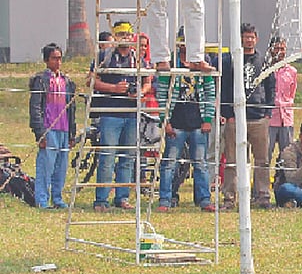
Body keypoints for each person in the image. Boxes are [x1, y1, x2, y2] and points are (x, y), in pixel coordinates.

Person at [90, 21, 152, 211]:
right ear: (115, 36)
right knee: (107, 157)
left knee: (128, 157)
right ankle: (101, 199)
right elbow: (91, 80)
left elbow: (148, 81)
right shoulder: (104, 56)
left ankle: (122, 197)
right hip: (111, 113)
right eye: (121, 34)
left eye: (127, 34)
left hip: (132, 113)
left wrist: (140, 92)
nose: (125, 38)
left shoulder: (138, 58)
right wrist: (114, 89)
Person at [155, 35, 216, 212]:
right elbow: (162, 94)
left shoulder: (202, 62)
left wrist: (207, 119)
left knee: (201, 164)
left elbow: (209, 92)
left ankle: (204, 200)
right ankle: (165, 200)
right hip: (176, 124)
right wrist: (164, 121)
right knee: (169, 164)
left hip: (198, 124)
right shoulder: (171, 63)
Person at [219, 23, 275, 208]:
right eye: (245, 36)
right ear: (240, 38)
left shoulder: (264, 60)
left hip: (258, 117)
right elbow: (225, 86)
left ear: (256, 38)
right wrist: (228, 114)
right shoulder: (230, 59)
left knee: (262, 160)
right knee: (232, 160)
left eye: (252, 36)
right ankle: (229, 198)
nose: (249, 40)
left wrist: (267, 112)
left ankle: (262, 195)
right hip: (235, 117)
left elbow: (270, 87)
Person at [29, 43, 77, 209]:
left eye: (59, 58)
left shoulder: (67, 82)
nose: (58, 62)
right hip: (49, 128)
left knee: (61, 167)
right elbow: (35, 107)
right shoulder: (41, 80)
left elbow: (72, 108)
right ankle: (42, 200)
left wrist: (72, 133)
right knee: (45, 166)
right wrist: (39, 132)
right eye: (54, 58)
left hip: (64, 129)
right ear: (46, 60)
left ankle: (57, 198)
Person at [267, 36, 298, 169]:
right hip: (270, 118)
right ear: (271, 50)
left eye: (282, 48)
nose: (280, 51)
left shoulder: (292, 71)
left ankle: (284, 184)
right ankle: (260, 187)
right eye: (277, 48)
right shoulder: (266, 70)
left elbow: (292, 92)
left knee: (287, 155)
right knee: (265, 154)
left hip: (286, 118)